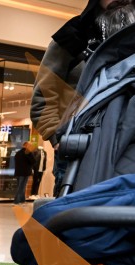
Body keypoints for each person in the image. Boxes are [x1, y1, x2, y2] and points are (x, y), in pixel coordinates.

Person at [30, 0, 126, 195]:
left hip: (125, 151)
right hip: (77, 152)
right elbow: (42, 99)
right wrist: (59, 139)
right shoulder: (72, 36)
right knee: (73, 210)